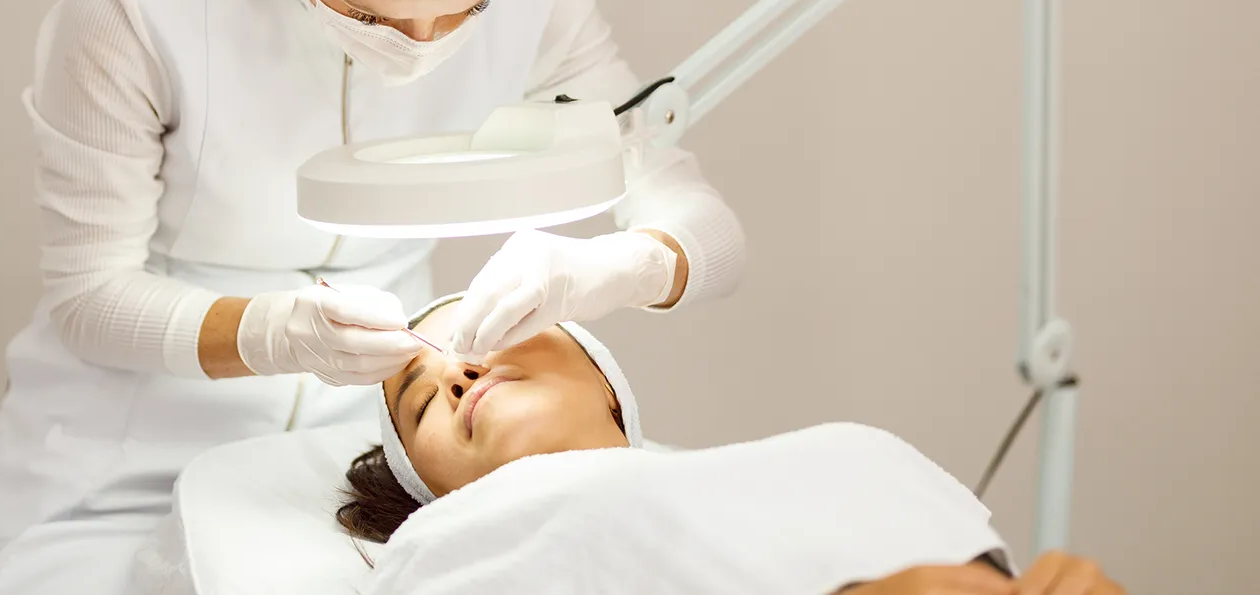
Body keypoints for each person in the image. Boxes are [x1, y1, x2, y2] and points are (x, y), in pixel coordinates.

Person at [0, 0, 744, 593]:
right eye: (371, 12)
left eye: (466, 10)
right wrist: (273, 334)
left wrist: (621, 265)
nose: (421, 46)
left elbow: (702, 221)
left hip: (350, 456)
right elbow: (88, 296)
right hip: (122, 456)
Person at [337, 298, 1126, 595]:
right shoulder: (448, 547)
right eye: (417, 401)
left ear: (608, 380)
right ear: (434, 488)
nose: (460, 370)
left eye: (486, 328)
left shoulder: (844, 450)